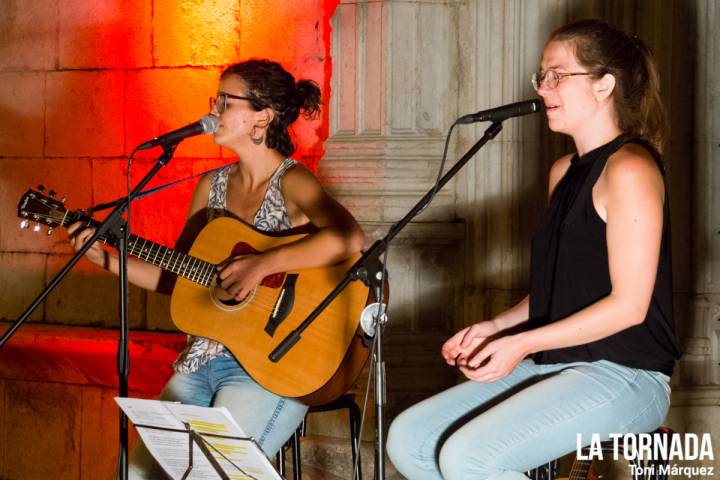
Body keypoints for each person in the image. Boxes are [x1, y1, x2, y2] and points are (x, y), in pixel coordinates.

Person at [386, 19, 680, 480]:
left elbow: (629, 307)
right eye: (541, 76)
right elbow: (561, 292)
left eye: (558, 75)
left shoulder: (631, 168)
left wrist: (520, 343)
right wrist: (496, 327)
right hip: (556, 363)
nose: (544, 88)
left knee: (469, 458)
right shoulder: (563, 171)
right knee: (410, 438)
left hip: (626, 375)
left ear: (604, 85)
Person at [68, 59, 365, 478]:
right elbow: (180, 277)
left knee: (210, 474)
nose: (213, 112)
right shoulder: (211, 188)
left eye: (226, 101)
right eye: (216, 100)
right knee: (135, 475)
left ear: (263, 115)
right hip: (199, 362)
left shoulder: (293, 181)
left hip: (271, 367)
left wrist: (262, 264)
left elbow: (349, 239)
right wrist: (107, 260)